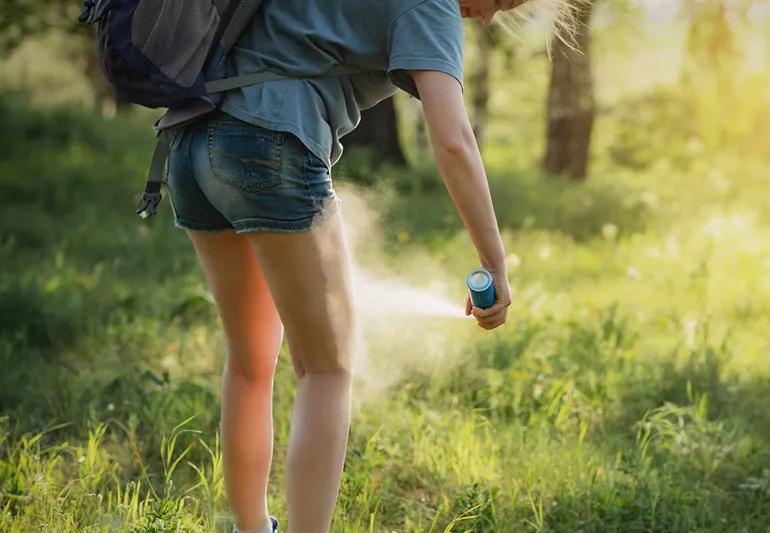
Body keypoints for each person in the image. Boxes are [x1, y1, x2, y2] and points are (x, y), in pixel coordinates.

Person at [164, 0, 573, 531]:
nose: (493, 17)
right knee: (328, 368)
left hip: (190, 141)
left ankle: (249, 527)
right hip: (267, 145)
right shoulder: (433, 7)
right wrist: (494, 261)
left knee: (248, 363)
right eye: (501, 1)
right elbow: (453, 141)